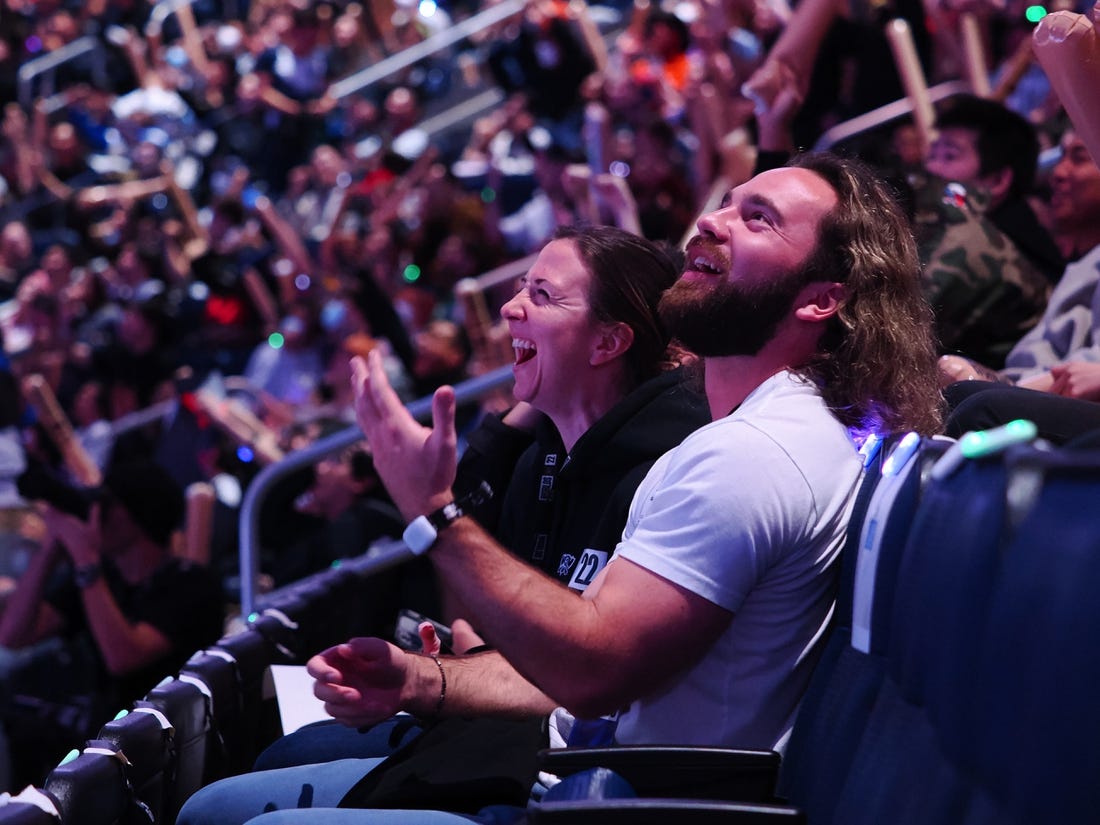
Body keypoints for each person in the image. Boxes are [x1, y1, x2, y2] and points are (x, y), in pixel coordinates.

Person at [176, 152, 943, 825]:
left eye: (758, 217)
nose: (710, 220)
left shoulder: (750, 454)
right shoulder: (763, 431)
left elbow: (593, 669)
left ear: (820, 298)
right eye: (726, 201)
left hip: (626, 801)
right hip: (591, 775)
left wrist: (434, 513)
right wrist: (423, 675)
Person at [183, 224, 709, 785]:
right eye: (521, 287)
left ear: (609, 342)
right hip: (506, 727)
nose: (509, 308)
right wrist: (444, 665)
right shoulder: (543, 457)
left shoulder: (671, 465)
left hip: (579, 768)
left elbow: (583, 675)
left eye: (542, 294)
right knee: (273, 758)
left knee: (220, 808)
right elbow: (506, 618)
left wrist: (430, 515)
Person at [0, 458, 223, 790]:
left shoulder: (189, 585)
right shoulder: (107, 580)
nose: (97, 515)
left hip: (151, 751)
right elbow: (14, 634)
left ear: (131, 516)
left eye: (105, 504)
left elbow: (124, 657)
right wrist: (53, 547)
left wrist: (86, 561)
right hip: (97, 734)